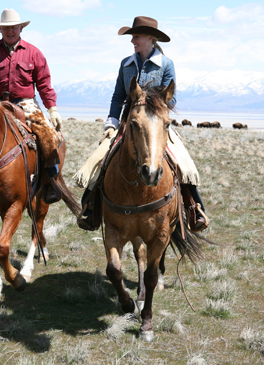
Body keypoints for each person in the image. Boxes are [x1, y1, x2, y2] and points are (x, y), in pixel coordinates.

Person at [74, 16, 208, 231]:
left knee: (184, 163)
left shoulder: (166, 64)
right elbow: (118, 96)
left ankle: (195, 209)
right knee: (99, 160)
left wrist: (153, 100)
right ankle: (89, 208)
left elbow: (171, 100)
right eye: (132, 36)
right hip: (129, 124)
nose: (132, 41)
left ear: (150, 38)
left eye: (136, 36)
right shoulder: (126, 64)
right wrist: (111, 124)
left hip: (157, 124)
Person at [0, 8, 64, 203]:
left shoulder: (34, 53)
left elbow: (44, 83)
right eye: (6, 28)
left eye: (13, 28)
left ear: (21, 28)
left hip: (26, 103)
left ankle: (50, 181)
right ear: (0, 30)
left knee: (49, 135)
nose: (10, 31)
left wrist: (52, 108)